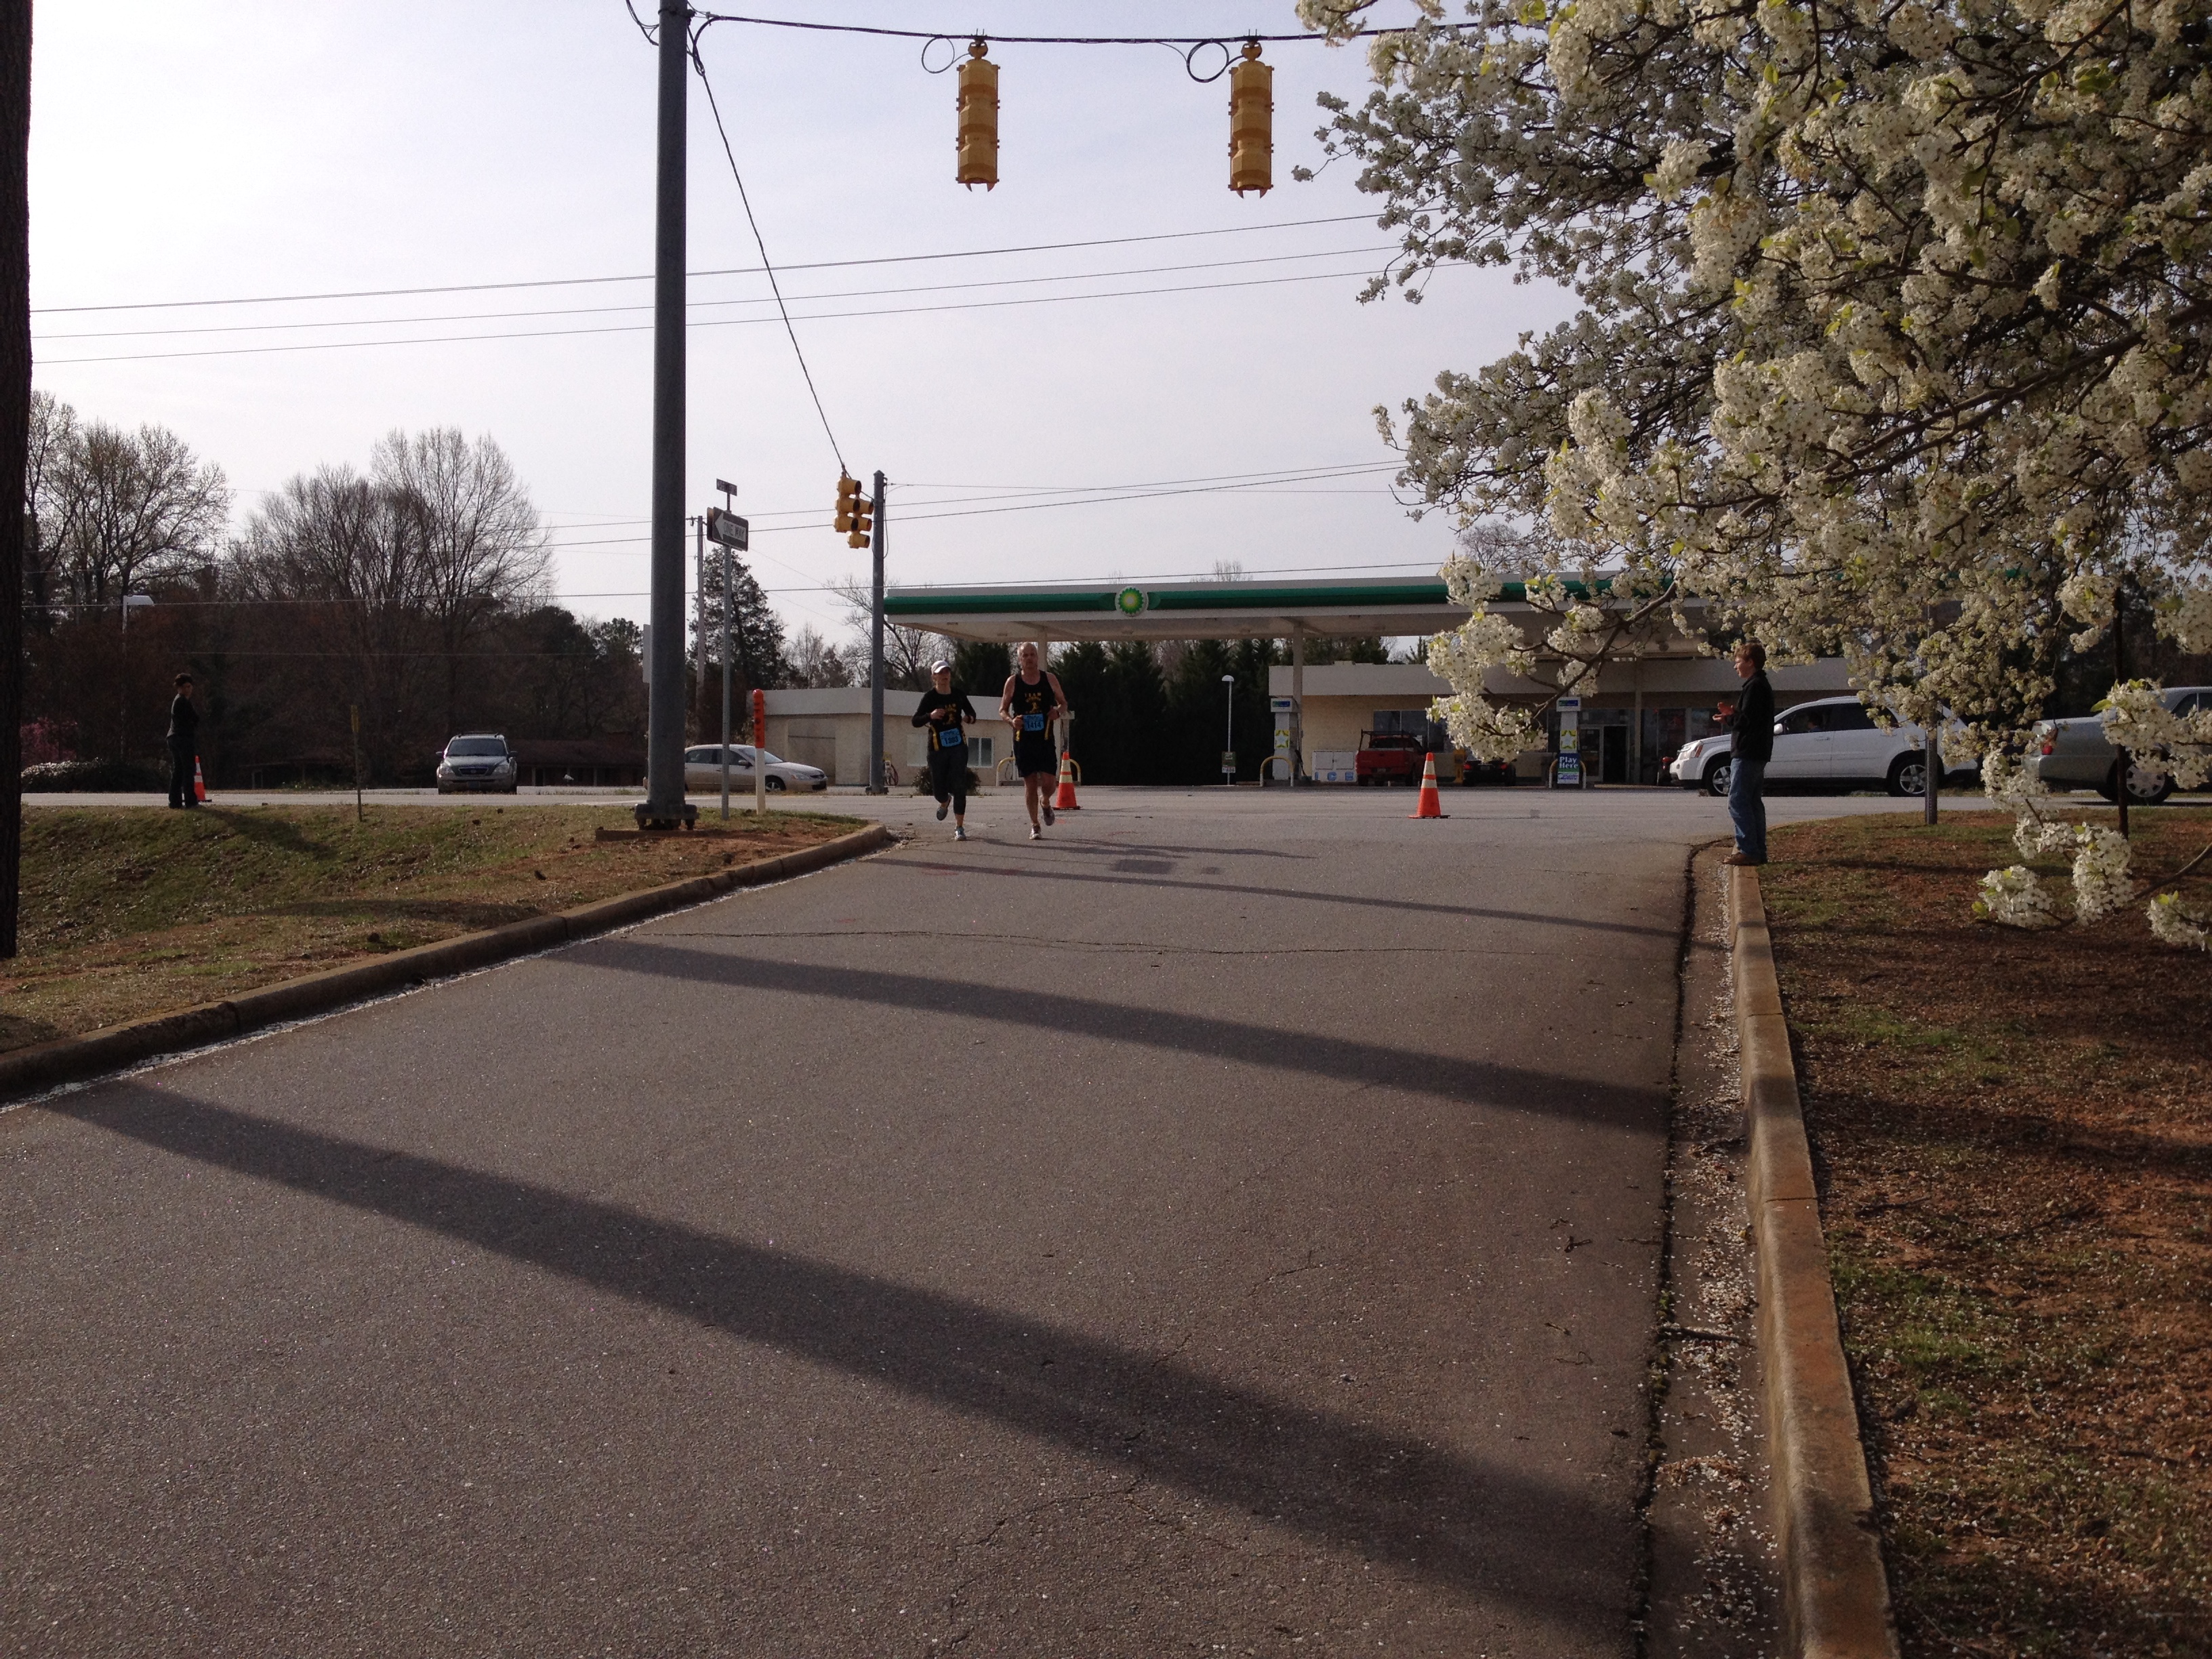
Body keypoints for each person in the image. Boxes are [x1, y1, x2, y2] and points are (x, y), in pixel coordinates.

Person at [998, 640, 1068, 841]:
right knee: (1030, 784)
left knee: (1049, 783)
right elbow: (1002, 709)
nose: (1029, 658)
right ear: (1020, 660)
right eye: (1025, 655)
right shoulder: (1013, 682)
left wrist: (1057, 712)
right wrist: (1012, 721)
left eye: (1032, 654)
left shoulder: (1049, 679)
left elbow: (1063, 703)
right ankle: (1035, 825)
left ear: (1037, 657)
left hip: (1045, 739)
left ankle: (1045, 801)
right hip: (1023, 740)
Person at [913, 660, 979, 840]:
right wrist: (931, 715)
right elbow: (915, 721)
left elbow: (972, 714)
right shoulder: (930, 697)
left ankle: (959, 827)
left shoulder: (958, 694)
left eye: (947, 672)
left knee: (959, 785)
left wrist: (968, 719)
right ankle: (944, 801)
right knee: (939, 789)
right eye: (941, 673)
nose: (945, 675)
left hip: (958, 745)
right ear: (934, 676)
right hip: (937, 747)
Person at [1724, 640, 1774, 866]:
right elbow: (1751, 718)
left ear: (1750, 662)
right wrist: (1732, 715)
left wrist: (1730, 717)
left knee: (1738, 800)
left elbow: (1746, 721)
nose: (1735, 666)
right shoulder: (1761, 685)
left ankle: (1748, 850)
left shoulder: (1754, 687)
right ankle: (1758, 850)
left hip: (1747, 752)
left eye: (1738, 661)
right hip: (1758, 752)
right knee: (1753, 802)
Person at [166, 673, 201, 811]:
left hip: (174, 737)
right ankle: (190, 800)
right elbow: (194, 719)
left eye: (190, 686)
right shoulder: (183, 702)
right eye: (186, 687)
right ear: (179, 688)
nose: (188, 690)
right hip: (182, 738)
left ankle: (175, 801)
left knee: (179, 769)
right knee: (188, 769)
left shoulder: (179, 700)